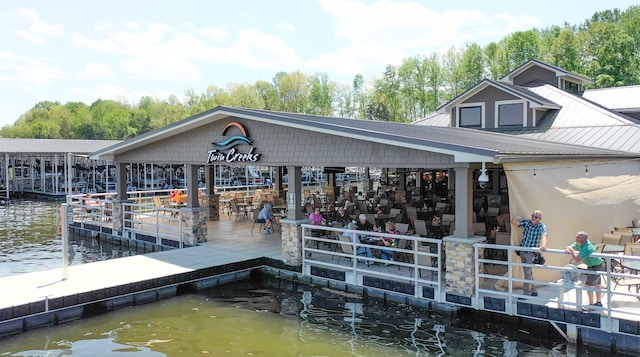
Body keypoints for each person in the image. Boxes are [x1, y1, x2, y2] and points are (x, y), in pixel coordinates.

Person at [511, 209, 548, 297]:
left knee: (527, 272)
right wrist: (517, 217)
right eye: (532, 216)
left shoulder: (541, 226)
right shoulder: (527, 222)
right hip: (523, 251)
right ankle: (534, 290)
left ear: (540, 218)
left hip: (531, 253)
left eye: (535, 217)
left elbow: (544, 236)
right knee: (528, 272)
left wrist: (543, 245)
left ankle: (526, 293)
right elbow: (514, 222)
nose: (533, 218)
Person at [564, 231, 604, 309]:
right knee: (597, 285)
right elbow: (572, 246)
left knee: (587, 286)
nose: (576, 238)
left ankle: (591, 305)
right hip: (592, 266)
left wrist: (571, 250)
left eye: (577, 237)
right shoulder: (579, 243)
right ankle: (598, 302)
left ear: (582, 239)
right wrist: (569, 248)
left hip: (596, 267)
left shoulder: (587, 247)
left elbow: (577, 259)